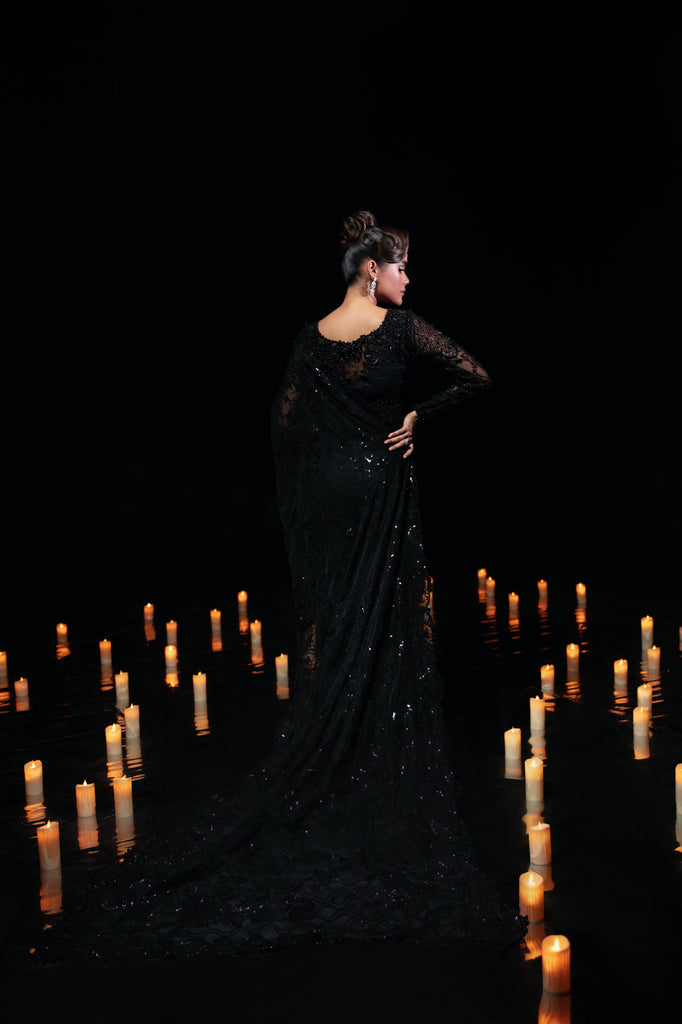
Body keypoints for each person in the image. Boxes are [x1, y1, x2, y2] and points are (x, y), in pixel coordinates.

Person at [30, 211, 523, 966]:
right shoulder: (401, 329)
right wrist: (415, 417)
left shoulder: (310, 339)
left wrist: (318, 485)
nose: (409, 278)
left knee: (339, 621)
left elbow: (283, 423)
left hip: (330, 500)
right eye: (402, 266)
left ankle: (336, 746)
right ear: (373, 270)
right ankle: (369, 757)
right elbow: (478, 376)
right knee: (384, 625)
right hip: (379, 492)